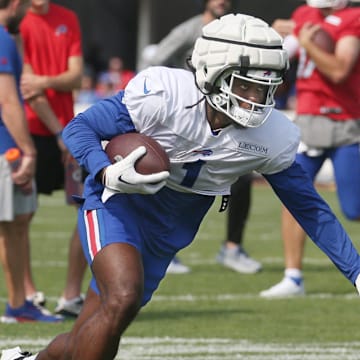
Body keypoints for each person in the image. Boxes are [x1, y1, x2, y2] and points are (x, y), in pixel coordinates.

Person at [3, 13, 360, 360]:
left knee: (94, 330)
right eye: (247, 84)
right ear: (212, 72)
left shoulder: (274, 135)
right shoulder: (165, 93)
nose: (257, 98)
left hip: (171, 229)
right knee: (124, 297)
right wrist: (104, 172)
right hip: (119, 202)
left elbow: (309, 209)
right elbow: (79, 129)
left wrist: (356, 271)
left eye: (266, 86)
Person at [141, 0, 261, 275]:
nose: (222, 1)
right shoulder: (189, 30)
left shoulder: (235, 30)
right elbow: (154, 61)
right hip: (188, 118)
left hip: (226, 115)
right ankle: (161, 248)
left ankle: (232, 248)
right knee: (170, 181)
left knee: (242, 177)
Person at [260, 0, 360, 298]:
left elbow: (340, 69)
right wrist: (270, 38)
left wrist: (306, 42)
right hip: (306, 121)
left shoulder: (353, 17)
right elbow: (280, 56)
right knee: (292, 195)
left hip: (344, 122)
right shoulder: (305, 14)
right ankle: (293, 276)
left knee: (354, 209)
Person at [18, 0, 87, 317]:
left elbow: (76, 77)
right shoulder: (16, 22)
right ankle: (27, 294)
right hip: (29, 131)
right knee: (19, 219)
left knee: (88, 209)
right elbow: (26, 89)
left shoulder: (68, 18)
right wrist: (60, 133)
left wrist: (45, 81)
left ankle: (71, 295)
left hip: (65, 130)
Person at [0, 0, 61, 323]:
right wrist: (30, 150)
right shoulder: (2, 38)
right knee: (11, 226)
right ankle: (17, 305)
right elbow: (8, 99)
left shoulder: (9, 38)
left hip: (8, 147)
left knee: (17, 225)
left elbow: (26, 93)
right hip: (6, 149)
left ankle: (20, 302)